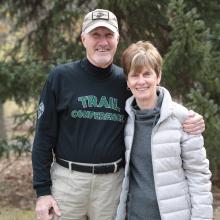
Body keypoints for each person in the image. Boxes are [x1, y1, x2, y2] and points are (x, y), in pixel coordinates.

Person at [32, 9, 205, 220]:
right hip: (68, 184)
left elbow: (155, 104)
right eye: (96, 35)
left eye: (108, 35)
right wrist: (42, 192)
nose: (102, 42)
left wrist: (189, 117)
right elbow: (43, 137)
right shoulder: (61, 78)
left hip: (111, 186)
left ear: (117, 39)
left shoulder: (126, 82)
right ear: (83, 39)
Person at [115, 41, 213, 220]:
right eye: (135, 75)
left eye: (147, 74)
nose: (141, 81)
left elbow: (198, 176)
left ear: (158, 76)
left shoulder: (183, 119)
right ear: (128, 81)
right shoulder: (123, 118)